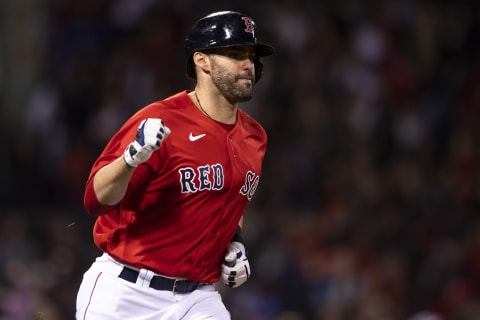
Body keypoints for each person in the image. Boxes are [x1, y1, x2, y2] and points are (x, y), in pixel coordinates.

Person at [75, 10, 275, 320]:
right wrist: (130, 160)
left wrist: (236, 243)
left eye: (251, 56)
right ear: (202, 60)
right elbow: (95, 199)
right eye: (235, 54)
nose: (248, 64)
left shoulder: (255, 137)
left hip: (197, 298)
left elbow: (230, 200)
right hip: (126, 292)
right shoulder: (161, 120)